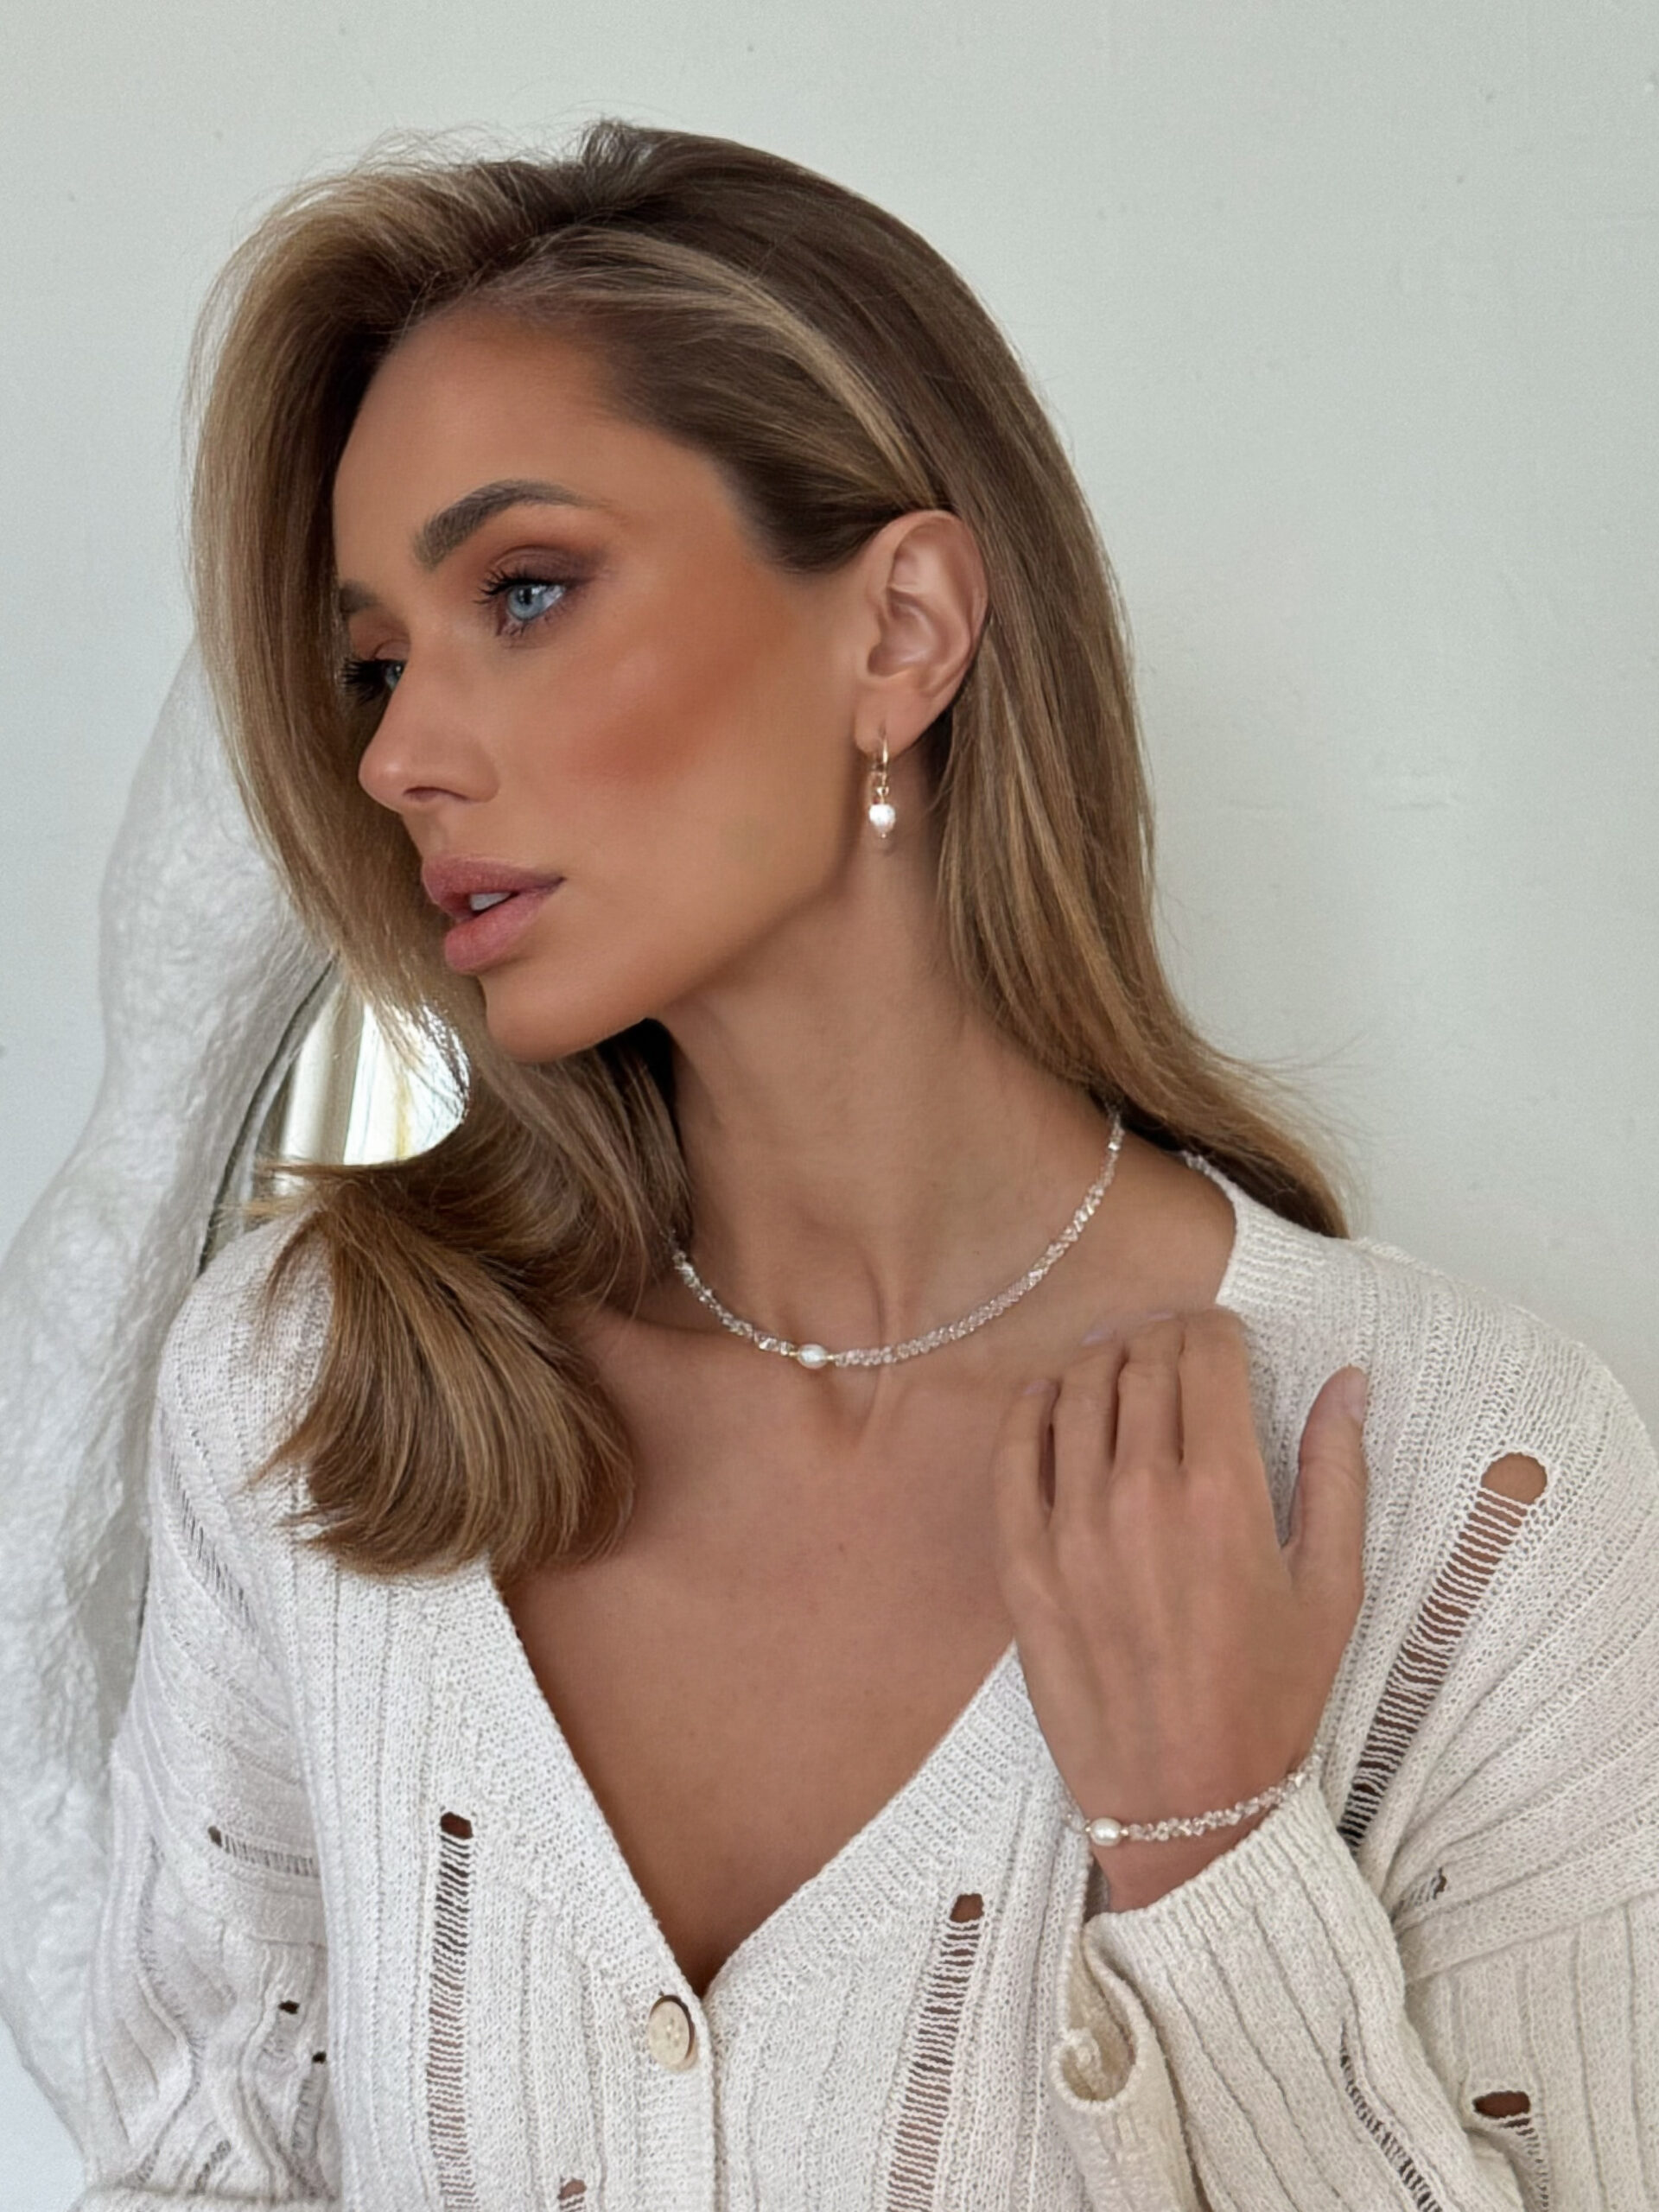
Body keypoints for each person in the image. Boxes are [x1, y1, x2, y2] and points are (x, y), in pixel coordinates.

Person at [56, 120, 1656, 2209]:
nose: (397, 754)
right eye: (378, 662)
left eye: (523, 591)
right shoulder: (316, 1390)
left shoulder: (1481, 1490)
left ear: (900, 630)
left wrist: (1213, 1860)